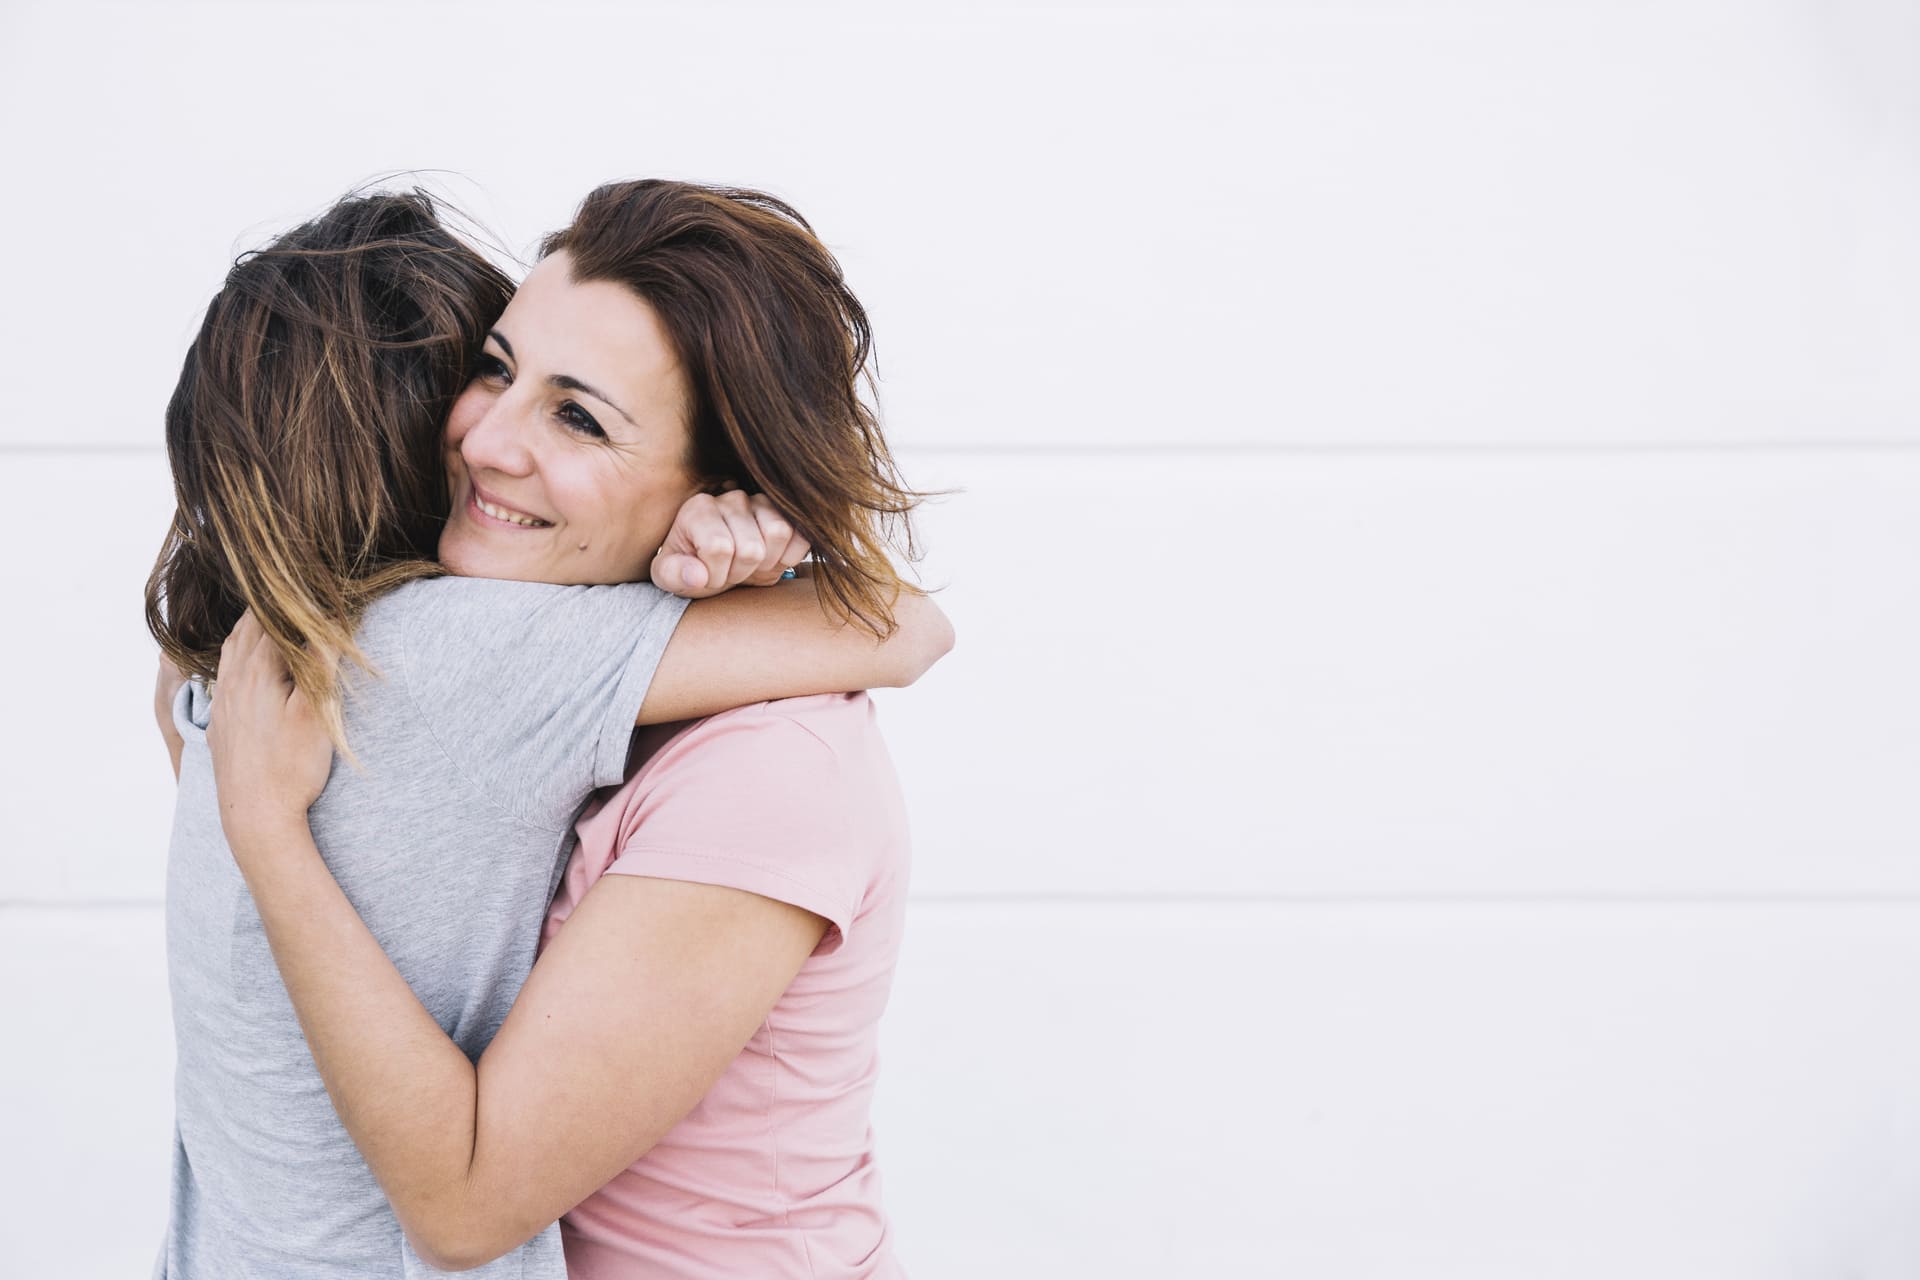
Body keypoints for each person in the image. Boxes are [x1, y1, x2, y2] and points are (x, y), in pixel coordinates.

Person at [149, 187, 948, 1279]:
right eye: (492, 365)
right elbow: (901, 626)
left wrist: (265, 831)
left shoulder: (769, 763)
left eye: (579, 415)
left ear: (722, 481)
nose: (484, 437)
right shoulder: (467, 660)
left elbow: (902, 629)